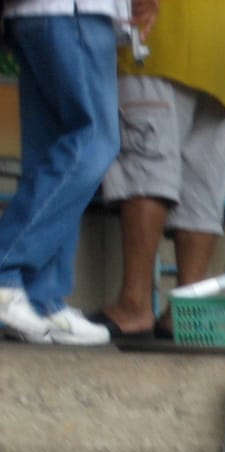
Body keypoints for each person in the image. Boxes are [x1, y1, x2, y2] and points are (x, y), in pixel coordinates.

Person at [0, 0, 157, 346]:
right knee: (95, 141)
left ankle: (42, 298)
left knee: (51, 153)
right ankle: (6, 269)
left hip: (30, 14)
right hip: (76, 10)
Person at [94, 0, 225, 341]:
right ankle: (187, 311)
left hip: (158, 35)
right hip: (222, 50)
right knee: (203, 178)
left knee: (146, 165)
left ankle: (134, 303)